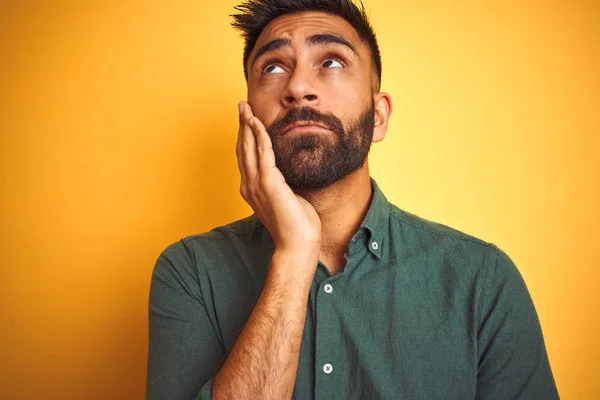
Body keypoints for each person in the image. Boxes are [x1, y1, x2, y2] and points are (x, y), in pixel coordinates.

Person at [145, 1, 559, 399]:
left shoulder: (481, 280)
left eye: (331, 62)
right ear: (249, 115)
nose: (298, 87)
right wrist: (293, 256)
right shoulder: (190, 272)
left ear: (378, 116)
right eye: (273, 67)